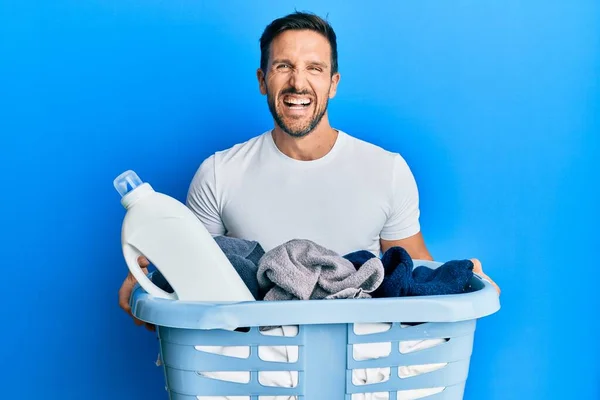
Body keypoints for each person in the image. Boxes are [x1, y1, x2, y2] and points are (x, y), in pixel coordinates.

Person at [118, 11, 500, 329]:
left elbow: (412, 277)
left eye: (314, 68)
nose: (298, 82)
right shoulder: (219, 173)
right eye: (283, 66)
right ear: (262, 80)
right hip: (251, 369)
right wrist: (148, 288)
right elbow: (191, 283)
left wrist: (460, 278)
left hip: (363, 365)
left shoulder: (387, 170)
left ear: (333, 83)